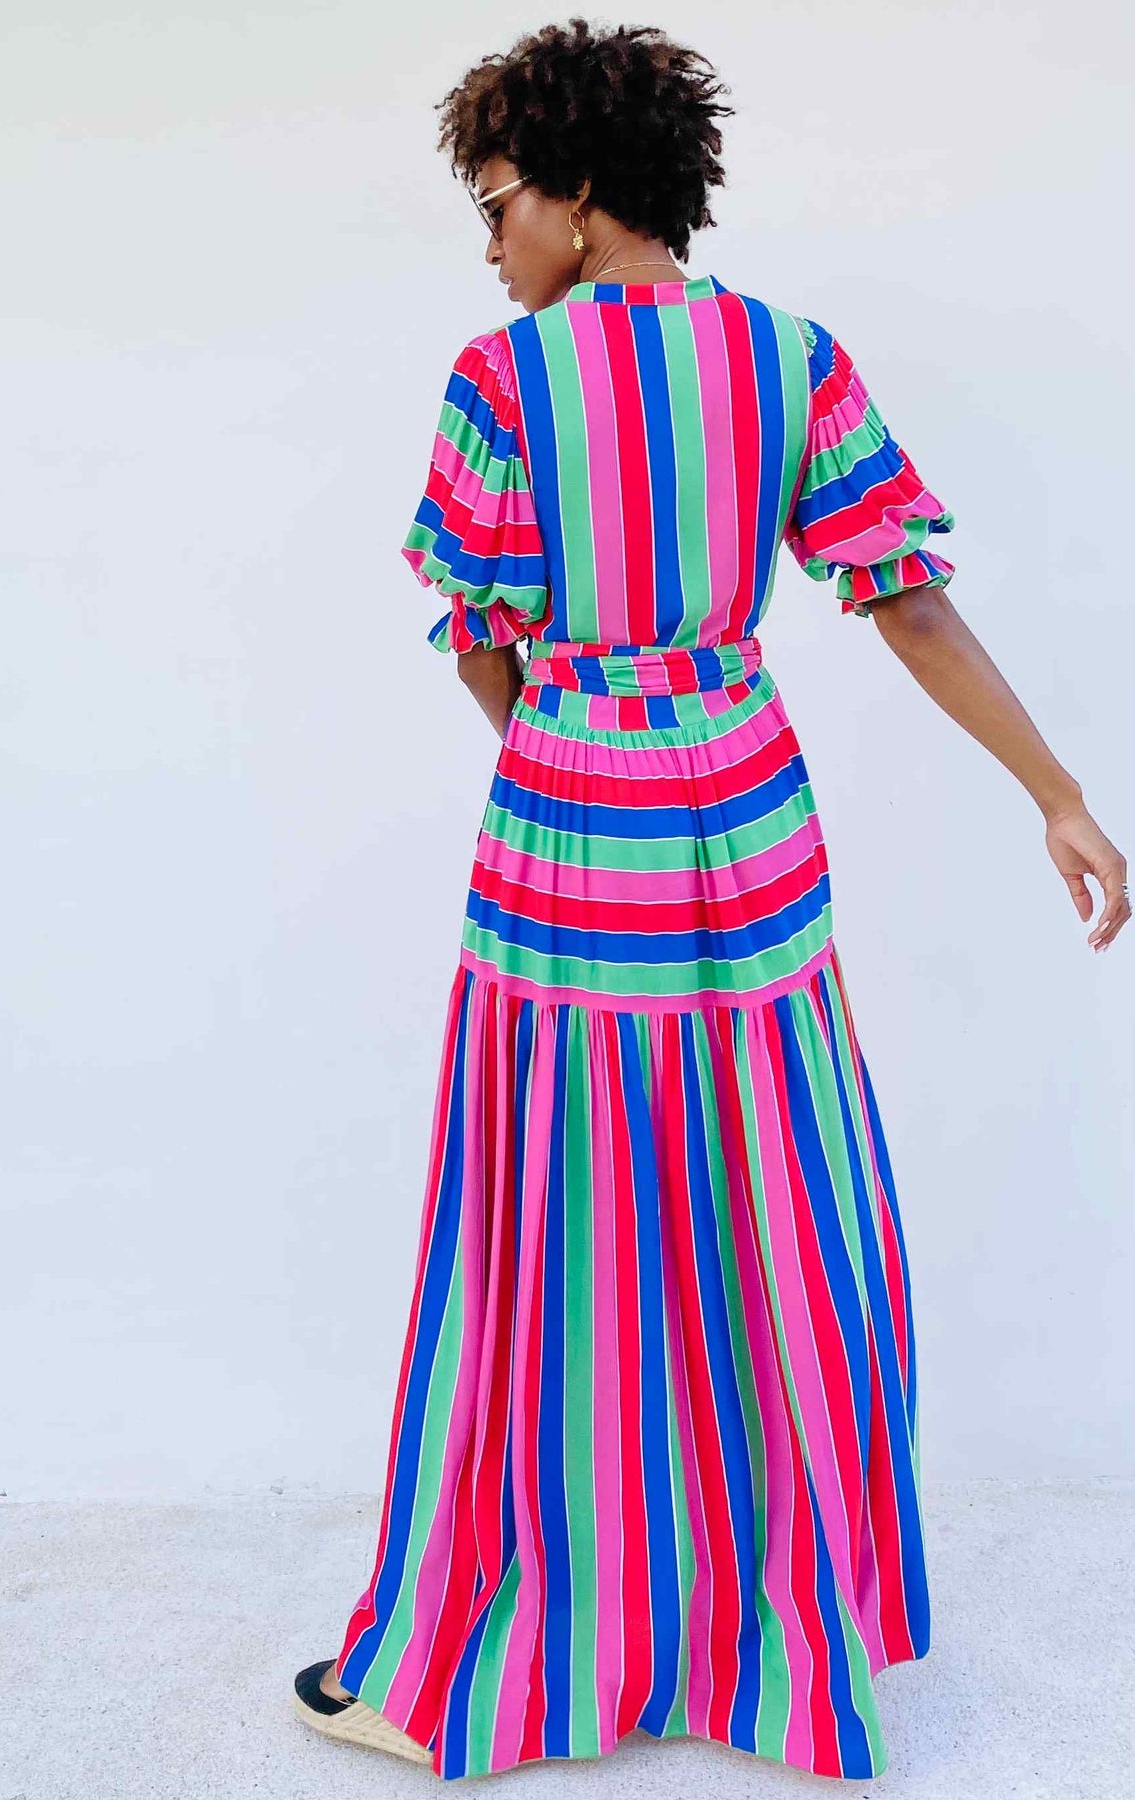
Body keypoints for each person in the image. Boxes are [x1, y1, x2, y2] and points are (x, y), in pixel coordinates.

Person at [291, 16, 1130, 1784]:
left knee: (558, 1214)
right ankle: (779, 1637)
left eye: (499, 202)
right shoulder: (792, 359)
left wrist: (568, 737)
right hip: (750, 809)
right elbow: (904, 602)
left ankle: (517, 1653)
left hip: (567, 821)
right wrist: (1055, 794)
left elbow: (481, 637)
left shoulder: (499, 379)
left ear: (584, 190)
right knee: (771, 1200)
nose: (490, 242)